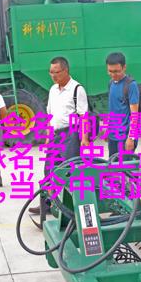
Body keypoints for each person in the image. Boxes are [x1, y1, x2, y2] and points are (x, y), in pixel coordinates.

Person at [29, 56, 89, 216]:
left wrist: (84, 139)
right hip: (56, 136)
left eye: (56, 72)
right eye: (51, 72)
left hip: (71, 135)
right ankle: (47, 204)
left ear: (65, 70)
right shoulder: (53, 90)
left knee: (69, 171)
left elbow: (83, 116)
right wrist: (49, 135)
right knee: (49, 170)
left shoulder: (77, 89)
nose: (53, 75)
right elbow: (50, 114)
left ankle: (73, 207)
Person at [106, 52, 140, 157]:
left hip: (125, 137)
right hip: (113, 136)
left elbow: (135, 115)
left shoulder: (131, 85)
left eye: (116, 71)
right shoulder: (111, 83)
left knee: (125, 166)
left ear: (124, 67)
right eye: (110, 71)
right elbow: (112, 110)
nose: (113, 74)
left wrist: (131, 138)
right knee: (112, 165)